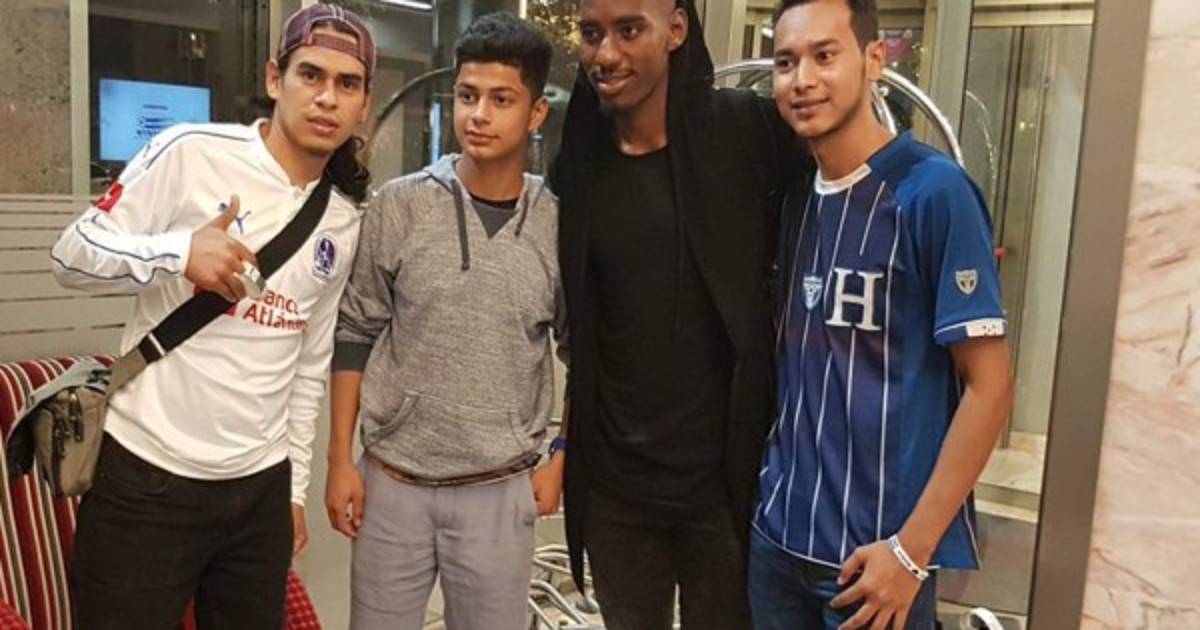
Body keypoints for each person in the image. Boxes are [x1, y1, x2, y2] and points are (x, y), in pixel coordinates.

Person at [49, 5, 374, 627]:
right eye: (310, 75)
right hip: (148, 477)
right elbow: (72, 253)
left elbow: (309, 363)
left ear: (363, 106)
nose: (327, 97)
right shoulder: (191, 152)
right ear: (275, 78)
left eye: (348, 83)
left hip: (258, 494)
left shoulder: (343, 219)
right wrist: (177, 252)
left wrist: (292, 491)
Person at [749, 1, 1014, 628]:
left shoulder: (934, 192)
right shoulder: (793, 198)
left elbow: (991, 387)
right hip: (777, 544)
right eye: (785, 62)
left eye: (824, 56)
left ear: (872, 61)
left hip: (877, 565)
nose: (802, 80)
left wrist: (911, 552)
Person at [550, 0, 810, 627]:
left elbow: (838, 190)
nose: (606, 54)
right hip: (617, 492)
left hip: (726, 486)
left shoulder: (747, 132)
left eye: (628, 30)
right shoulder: (580, 163)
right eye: (592, 34)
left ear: (675, 29)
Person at [325, 12, 564, 630]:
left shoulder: (556, 223)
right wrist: (340, 460)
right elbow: (355, 332)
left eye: (501, 100)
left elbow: (586, 351)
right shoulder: (400, 205)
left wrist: (563, 454)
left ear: (535, 113)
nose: (478, 114)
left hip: (499, 488)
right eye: (466, 96)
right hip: (392, 484)